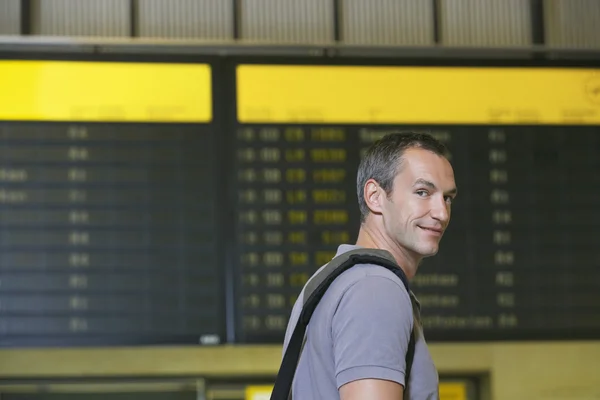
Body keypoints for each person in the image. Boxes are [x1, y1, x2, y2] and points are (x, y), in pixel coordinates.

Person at [281, 132, 457, 399]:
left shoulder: (336, 279)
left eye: (447, 198)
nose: (442, 213)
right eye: (423, 192)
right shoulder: (375, 289)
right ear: (375, 196)